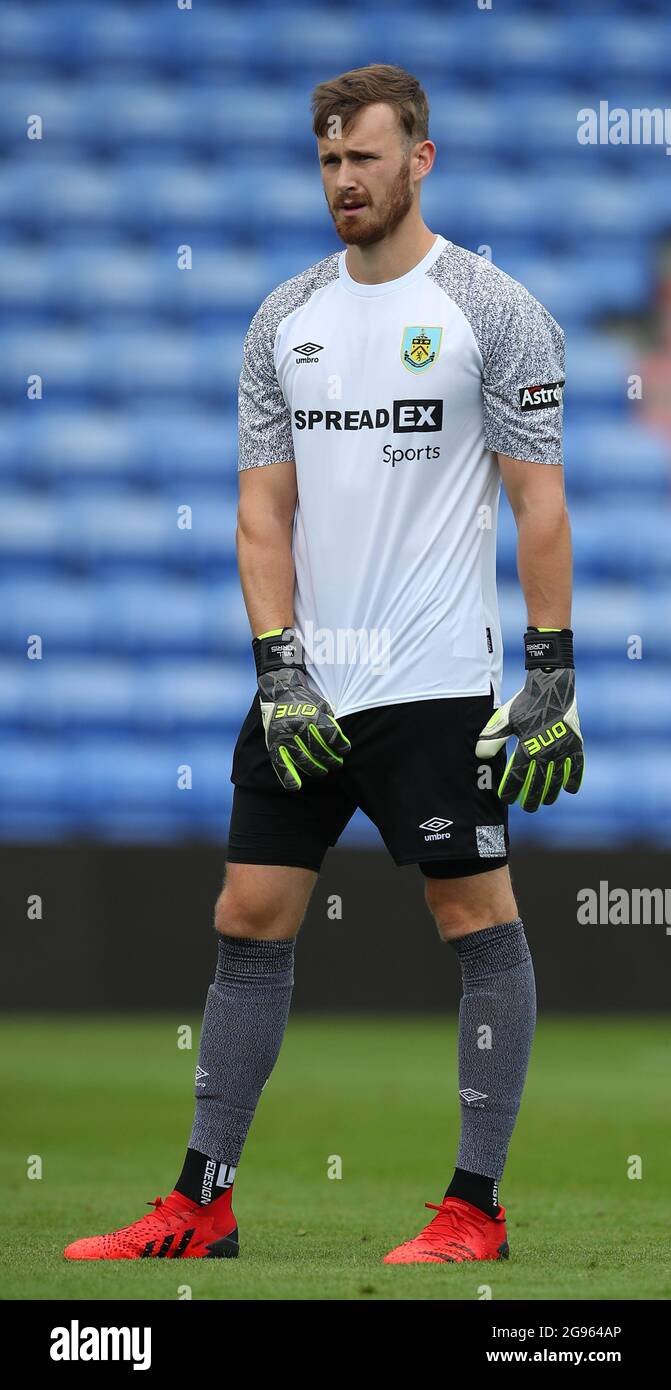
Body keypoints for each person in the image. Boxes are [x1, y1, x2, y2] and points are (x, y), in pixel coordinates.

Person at [64, 63, 583, 1265]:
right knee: (246, 914)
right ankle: (202, 1202)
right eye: (327, 161)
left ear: (420, 160)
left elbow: (538, 506)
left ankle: (474, 1210)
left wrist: (549, 671)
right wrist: (277, 665)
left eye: (364, 157)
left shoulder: (491, 309)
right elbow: (261, 516)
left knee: (474, 919)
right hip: (308, 687)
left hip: (438, 683)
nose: (343, 179)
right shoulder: (281, 320)